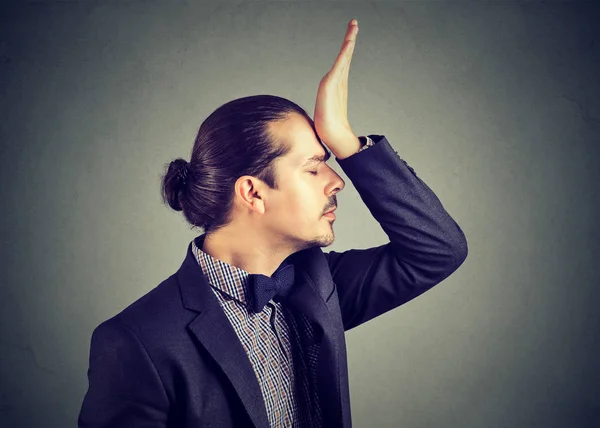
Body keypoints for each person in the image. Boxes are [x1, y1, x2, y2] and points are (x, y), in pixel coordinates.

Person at [78, 19, 468, 428]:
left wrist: (348, 144)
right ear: (253, 193)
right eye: (315, 168)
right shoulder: (136, 341)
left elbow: (439, 250)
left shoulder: (320, 286)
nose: (338, 182)